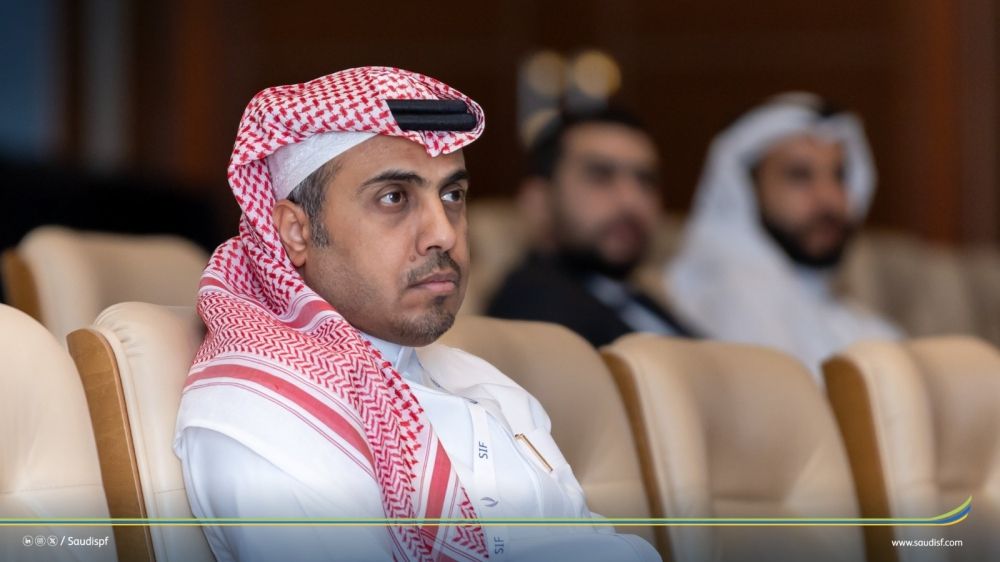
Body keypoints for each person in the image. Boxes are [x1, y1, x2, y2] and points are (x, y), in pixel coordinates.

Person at [173, 67, 659, 562]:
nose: (443, 233)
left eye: (452, 196)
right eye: (394, 198)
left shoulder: (485, 383)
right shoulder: (267, 409)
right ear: (296, 232)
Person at [665, 93, 900, 376]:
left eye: (839, 175)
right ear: (747, 189)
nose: (829, 198)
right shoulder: (732, 291)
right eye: (799, 175)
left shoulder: (840, 309)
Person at [488, 109, 695, 347]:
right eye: (600, 175)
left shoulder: (635, 296)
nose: (631, 200)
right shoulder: (534, 301)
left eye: (645, 180)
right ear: (539, 201)